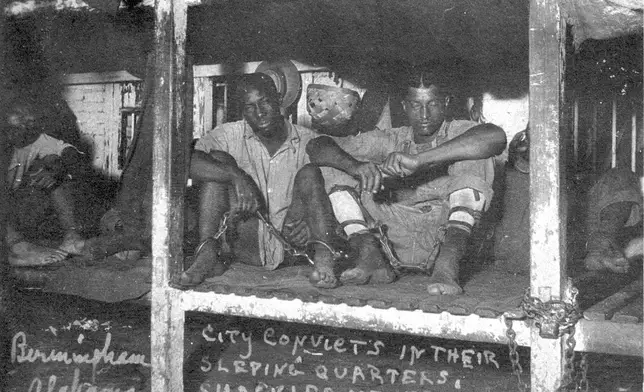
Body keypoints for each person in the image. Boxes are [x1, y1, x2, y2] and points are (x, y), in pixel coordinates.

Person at [306, 72, 506, 295]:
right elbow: (318, 146)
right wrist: (356, 167)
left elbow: (496, 137)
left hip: (442, 239)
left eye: (432, 104)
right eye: (415, 105)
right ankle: (369, 255)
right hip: (392, 241)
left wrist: (420, 160)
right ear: (403, 106)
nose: (424, 114)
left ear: (446, 103)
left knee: (479, 157)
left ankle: (447, 266)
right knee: (333, 165)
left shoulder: (457, 130)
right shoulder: (393, 138)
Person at [179, 73, 352, 288]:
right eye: (250, 107)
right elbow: (185, 164)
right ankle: (206, 255)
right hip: (245, 241)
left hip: (293, 245)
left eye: (264, 102)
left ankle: (324, 260)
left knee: (310, 172)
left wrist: (312, 222)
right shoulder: (229, 134)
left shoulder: (308, 140)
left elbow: (342, 189)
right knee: (219, 161)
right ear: (242, 111)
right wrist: (236, 176)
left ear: (279, 100)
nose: (259, 113)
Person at [3, 99, 86, 267]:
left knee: (55, 176)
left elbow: (68, 153)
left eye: (26, 123)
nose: (23, 127)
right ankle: (18, 247)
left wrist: (56, 170)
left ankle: (71, 237)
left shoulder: (33, 139)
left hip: (15, 212)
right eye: (14, 125)